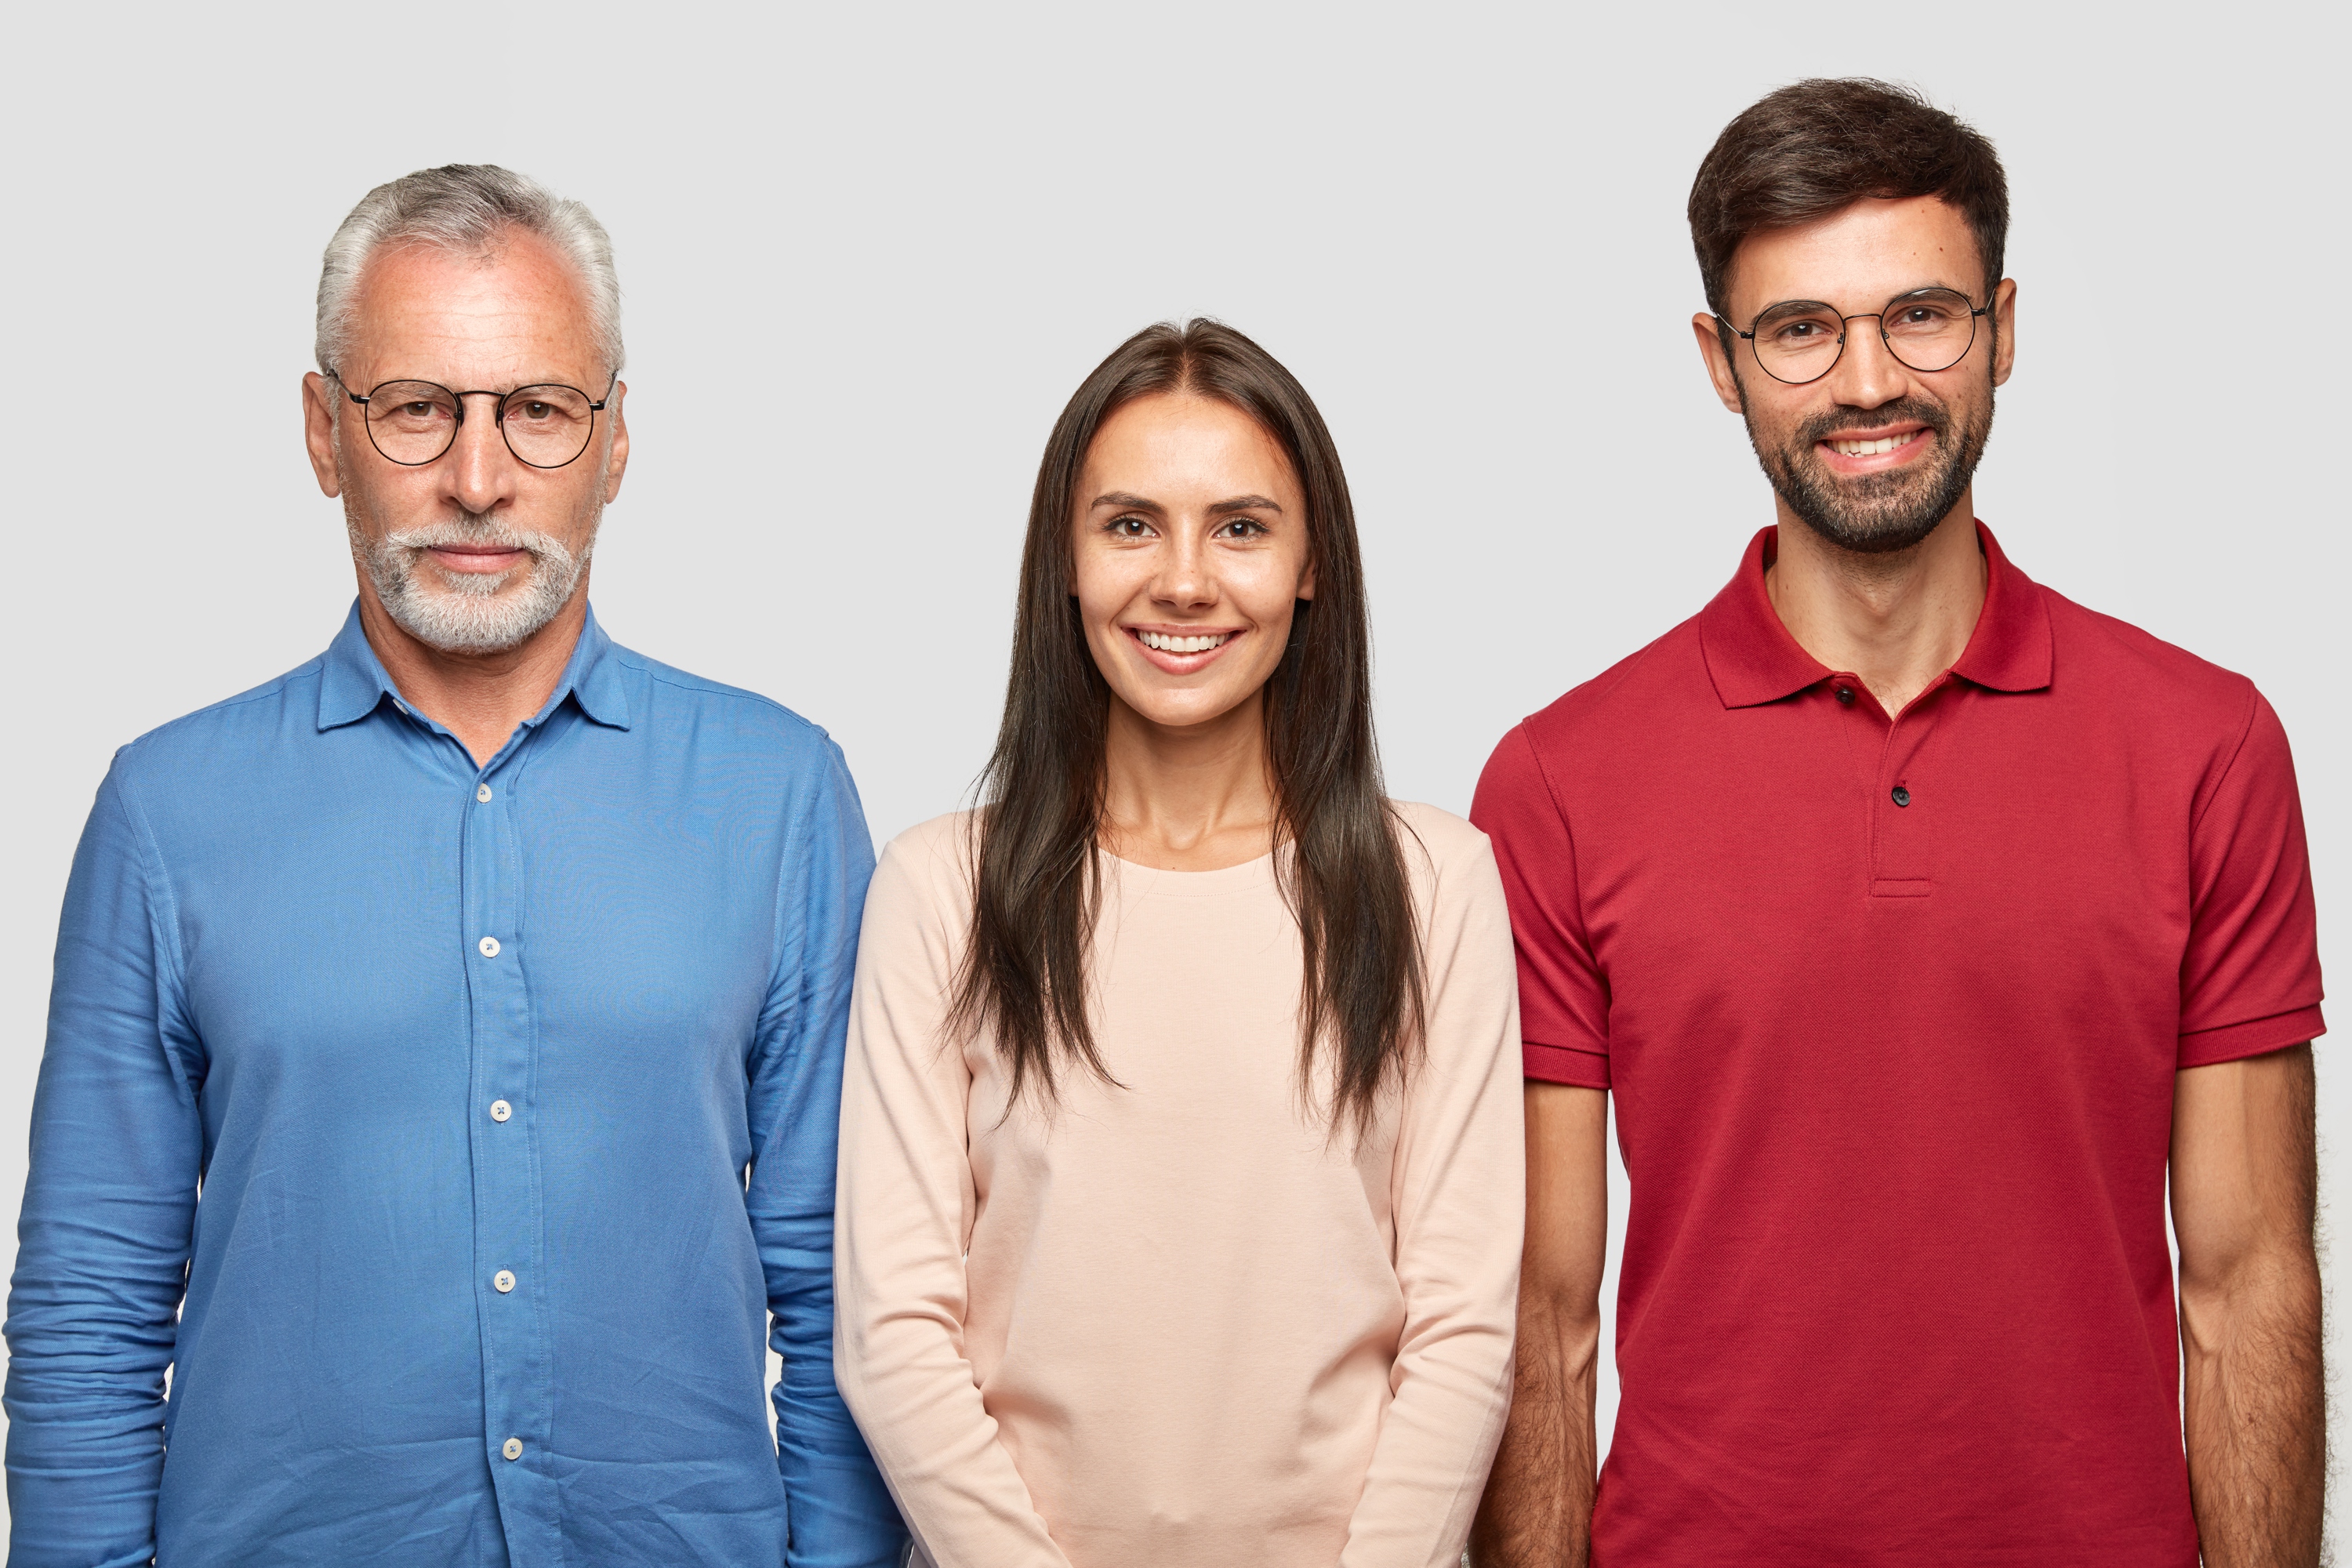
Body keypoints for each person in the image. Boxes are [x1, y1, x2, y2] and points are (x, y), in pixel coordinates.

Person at [1470, 80, 2325, 1568]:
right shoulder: (1559, 779)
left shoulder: (2208, 747)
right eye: (1800, 329)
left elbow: (2251, 1283)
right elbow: (1538, 1320)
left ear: (2002, 327)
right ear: (1721, 365)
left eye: (1921, 316)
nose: (1869, 380)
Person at [5, 165, 906, 1567]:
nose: (477, 481)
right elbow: (91, 1298)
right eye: (417, 408)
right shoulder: (166, 808)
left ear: (616, 442)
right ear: (323, 433)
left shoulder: (779, 793)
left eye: (537, 412)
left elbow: (847, 1284)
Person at [833, 320, 1523, 1568]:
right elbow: (893, 1331)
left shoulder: (1432, 885)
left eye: (1242, 527)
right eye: (1132, 524)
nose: (1186, 582)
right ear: (1068, 559)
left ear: (1313, 563)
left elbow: (1465, 1328)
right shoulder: (942, 889)